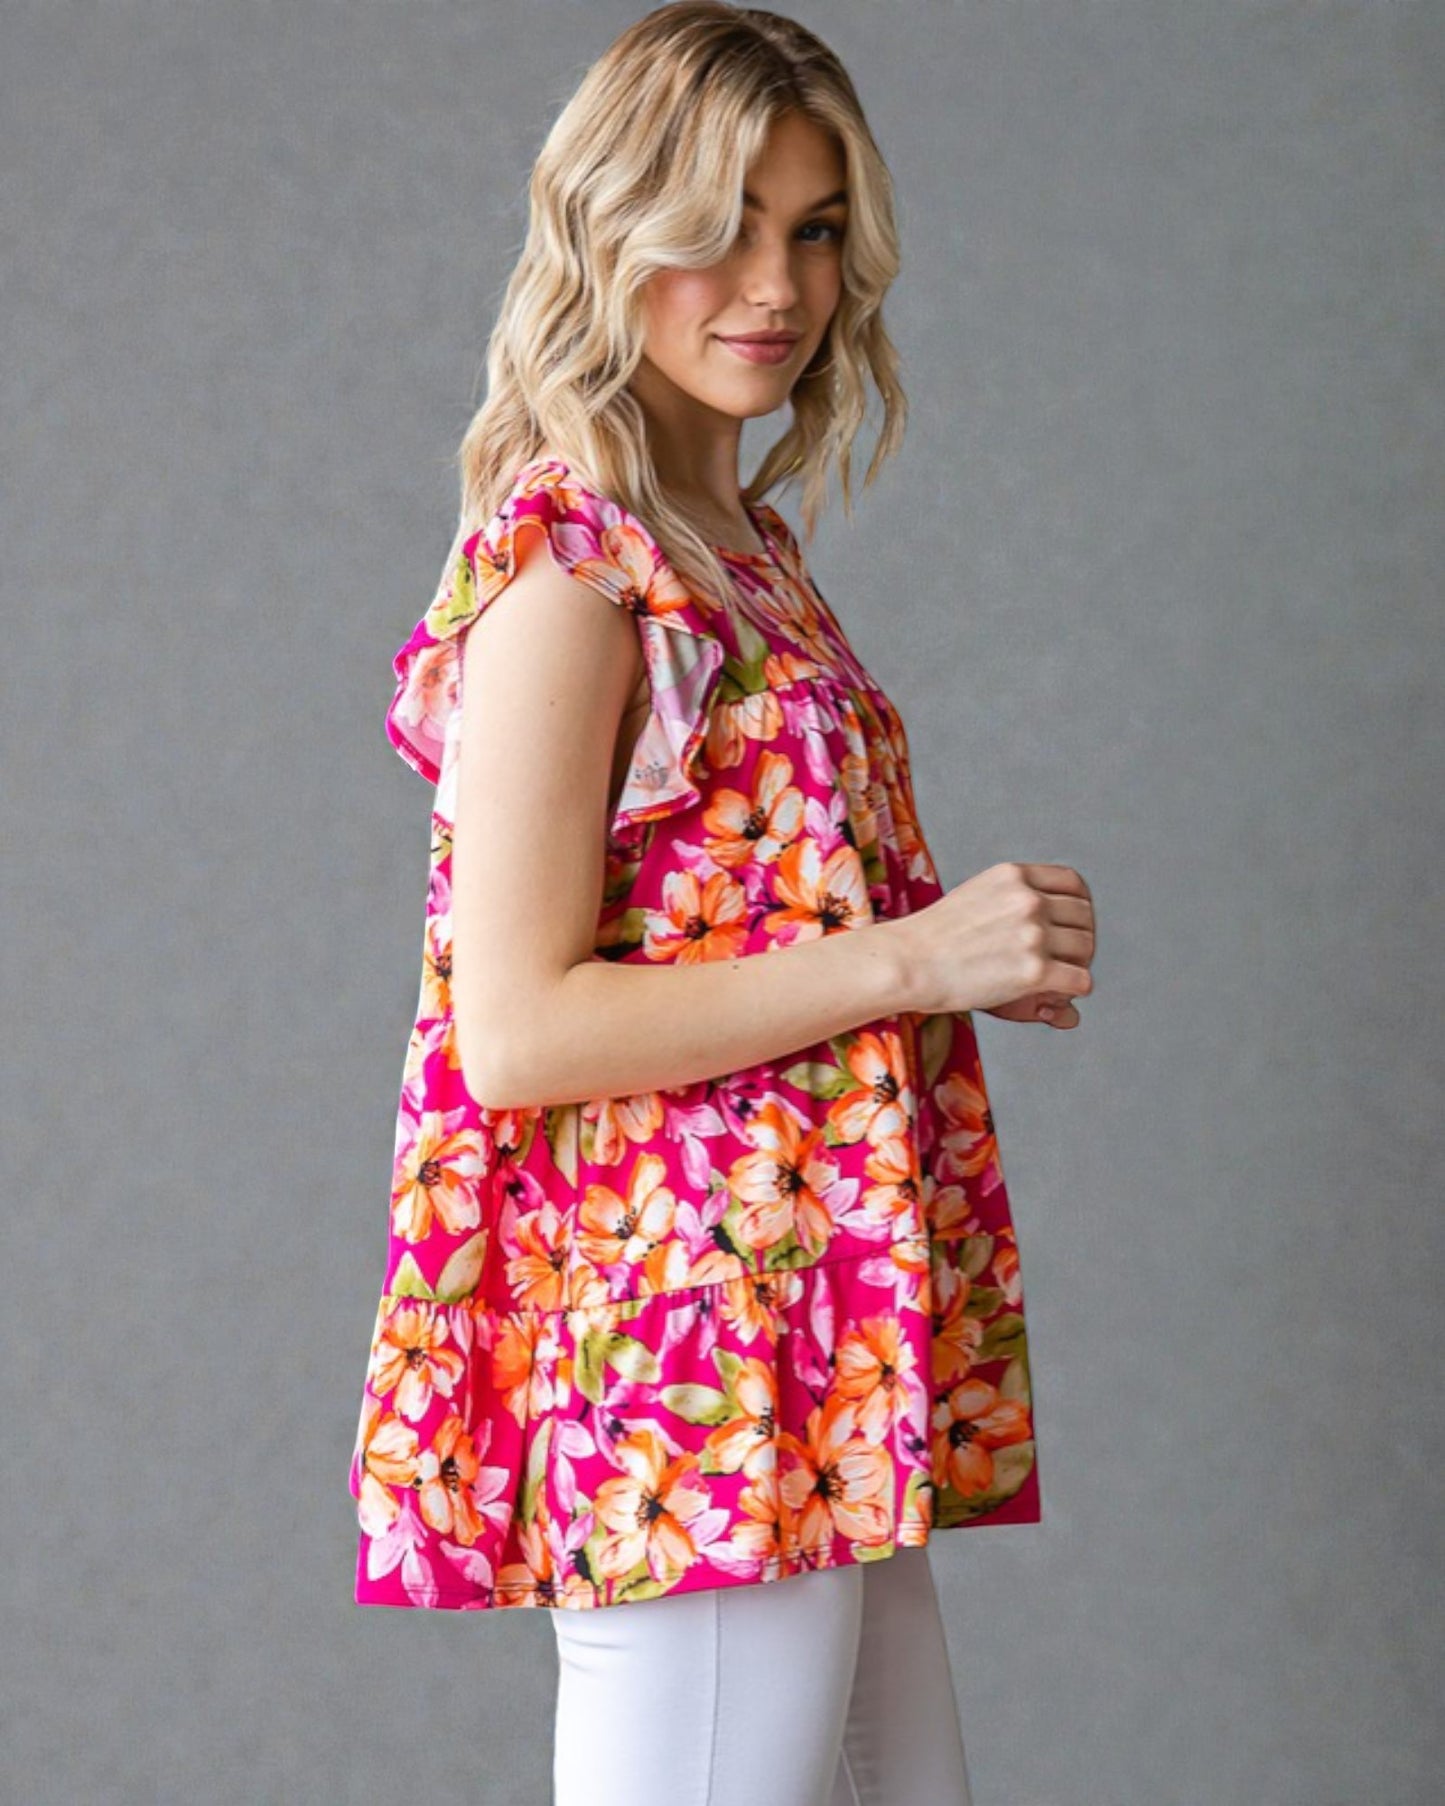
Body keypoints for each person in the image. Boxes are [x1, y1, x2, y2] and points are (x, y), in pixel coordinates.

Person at [347, 7, 1095, 1803]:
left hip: (813, 1347)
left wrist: (943, 959)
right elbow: (516, 1027)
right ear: (609, 230)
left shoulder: (738, 553)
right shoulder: (574, 578)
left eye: (815, 225)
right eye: (720, 222)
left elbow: (741, 923)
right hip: (692, 1375)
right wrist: (914, 954)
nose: (774, 282)